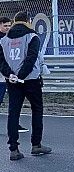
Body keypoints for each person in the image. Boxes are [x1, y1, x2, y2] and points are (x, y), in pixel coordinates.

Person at [0, 11, 52, 161]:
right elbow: (31, 58)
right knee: (37, 109)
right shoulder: (32, 36)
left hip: (12, 81)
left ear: (15, 21)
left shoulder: (4, 39)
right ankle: (36, 145)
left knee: (13, 112)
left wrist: (11, 75)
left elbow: (1, 61)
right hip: (31, 79)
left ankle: (14, 149)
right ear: (28, 21)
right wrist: (21, 75)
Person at [0, 17, 27, 134]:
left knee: (14, 101)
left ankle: (15, 124)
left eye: (9, 25)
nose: (7, 28)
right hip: (1, 75)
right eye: (5, 26)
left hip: (10, 74)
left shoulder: (11, 38)